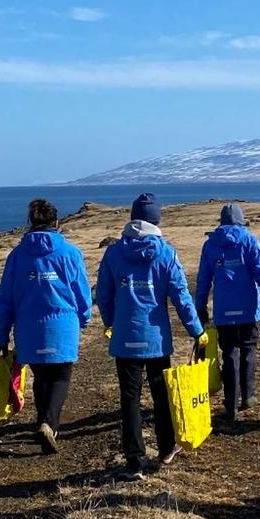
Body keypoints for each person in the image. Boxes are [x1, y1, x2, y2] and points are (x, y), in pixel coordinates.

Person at [96, 192, 206, 481]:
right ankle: (166, 447)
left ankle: (134, 461)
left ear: (132, 216)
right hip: (156, 340)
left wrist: (110, 322)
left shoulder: (114, 253)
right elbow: (181, 297)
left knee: (129, 399)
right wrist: (197, 330)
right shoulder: (166, 253)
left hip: (125, 337)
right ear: (157, 219)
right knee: (161, 396)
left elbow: (103, 295)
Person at [0, 197, 92, 454]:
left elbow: (5, 299)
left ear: (31, 222)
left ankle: (42, 421)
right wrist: (85, 317)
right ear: (57, 223)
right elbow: (81, 291)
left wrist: (1, 335)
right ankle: (49, 423)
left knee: (41, 376)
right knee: (60, 376)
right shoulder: (70, 253)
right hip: (63, 326)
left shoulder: (17, 256)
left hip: (29, 329)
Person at [195, 203, 260, 420]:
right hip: (248, 310)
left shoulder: (210, 245)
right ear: (241, 220)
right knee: (248, 350)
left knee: (229, 354)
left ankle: (230, 404)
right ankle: (248, 396)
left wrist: (200, 307)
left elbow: (203, 280)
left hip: (224, 311)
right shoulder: (250, 240)